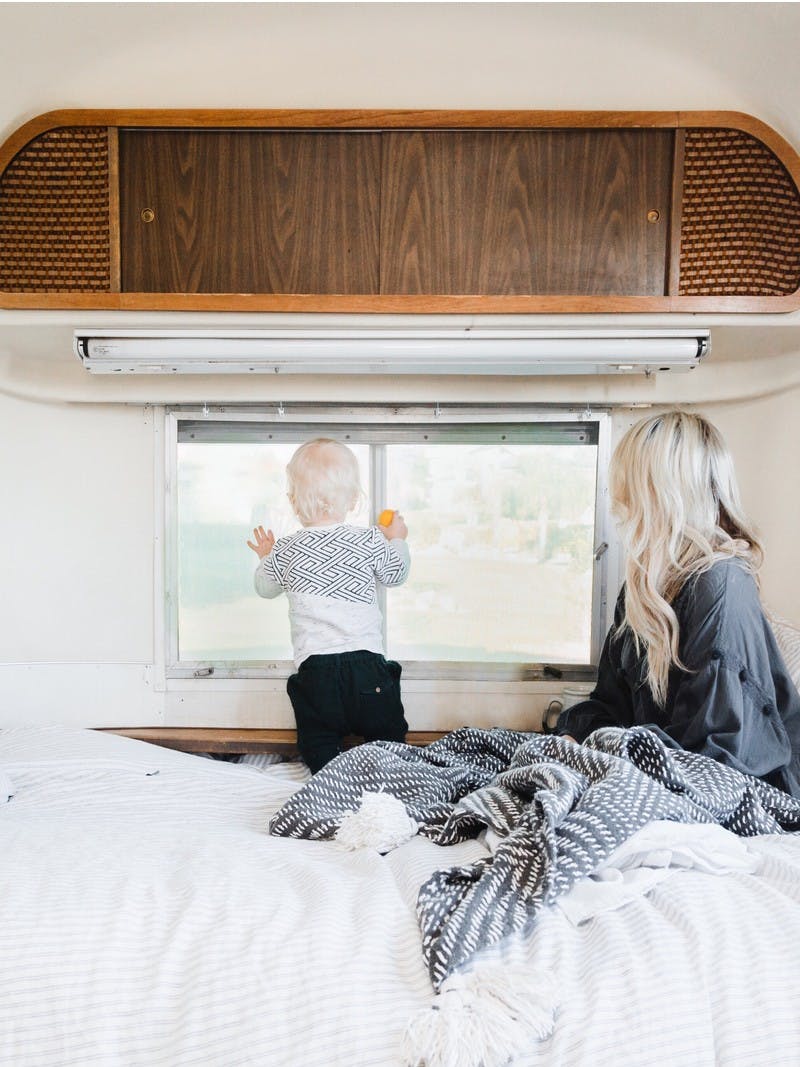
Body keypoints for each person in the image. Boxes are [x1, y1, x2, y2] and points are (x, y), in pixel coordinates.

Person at [557, 410, 800, 797]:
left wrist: (610, 755)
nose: (618, 502)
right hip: (663, 772)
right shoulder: (641, 591)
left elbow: (713, 761)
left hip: (737, 794)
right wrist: (574, 737)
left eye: (629, 486)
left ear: (664, 495)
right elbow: (609, 706)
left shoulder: (722, 587)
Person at [247, 438, 410, 773]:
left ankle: (330, 778)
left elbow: (265, 587)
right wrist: (397, 539)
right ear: (352, 499)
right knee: (388, 733)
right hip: (367, 668)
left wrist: (266, 557)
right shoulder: (368, 539)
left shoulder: (288, 549)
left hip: (317, 673)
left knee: (317, 741)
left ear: (294, 501)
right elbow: (395, 574)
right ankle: (388, 774)